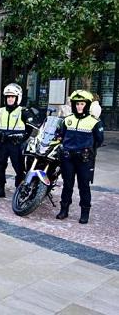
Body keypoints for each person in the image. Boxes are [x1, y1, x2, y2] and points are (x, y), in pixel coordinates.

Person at [57, 90, 103, 224]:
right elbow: (61, 136)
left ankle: (85, 213)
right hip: (68, 158)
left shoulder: (94, 122)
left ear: (87, 105)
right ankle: (64, 210)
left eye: (82, 104)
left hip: (84, 159)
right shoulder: (67, 120)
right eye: (77, 104)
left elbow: (99, 140)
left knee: (84, 186)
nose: (79, 106)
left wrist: (88, 150)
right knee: (67, 185)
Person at [0, 83, 35, 198]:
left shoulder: (23, 111)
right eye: (8, 97)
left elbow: (30, 128)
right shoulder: (1, 110)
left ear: (17, 98)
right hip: (4, 143)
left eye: (12, 97)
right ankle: (0, 189)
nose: (10, 99)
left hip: (16, 144)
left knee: (19, 168)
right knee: (0, 166)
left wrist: (22, 138)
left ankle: (19, 190)